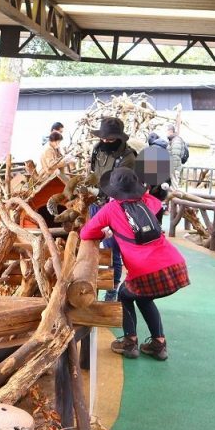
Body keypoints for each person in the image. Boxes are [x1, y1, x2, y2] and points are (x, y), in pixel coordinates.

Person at [81, 168, 189, 361]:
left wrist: (104, 232)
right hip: (175, 266)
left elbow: (85, 233)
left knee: (124, 295)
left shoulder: (111, 209)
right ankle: (159, 344)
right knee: (143, 298)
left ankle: (130, 343)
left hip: (145, 271)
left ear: (113, 191)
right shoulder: (148, 202)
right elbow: (156, 202)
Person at [88, 117, 137, 299]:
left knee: (111, 249)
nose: (105, 141)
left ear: (118, 138)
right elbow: (93, 172)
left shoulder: (128, 157)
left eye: (109, 139)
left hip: (115, 205)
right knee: (90, 243)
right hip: (95, 203)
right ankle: (90, 284)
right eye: (103, 138)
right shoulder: (98, 149)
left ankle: (112, 288)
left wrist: (111, 213)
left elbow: (121, 188)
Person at [167, 124, 188, 188]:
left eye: (167, 131)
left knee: (174, 186)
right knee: (172, 186)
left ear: (170, 131)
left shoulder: (176, 140)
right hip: (173, 167)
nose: (166, 133)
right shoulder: (173, 140)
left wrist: (172, 169)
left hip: (174, 168)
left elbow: (175, 156)